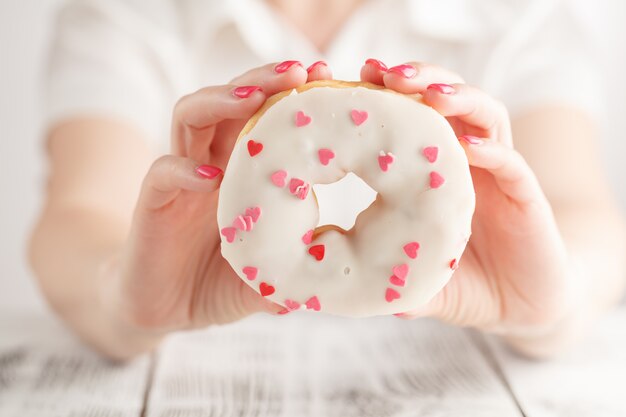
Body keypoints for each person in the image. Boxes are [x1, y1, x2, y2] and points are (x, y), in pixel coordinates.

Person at [30, 0, 625, 360]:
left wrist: (555, 297)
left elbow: (582, 208)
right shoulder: (130, 15)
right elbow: (77, 214)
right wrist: (121, 299)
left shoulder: (519, 15)